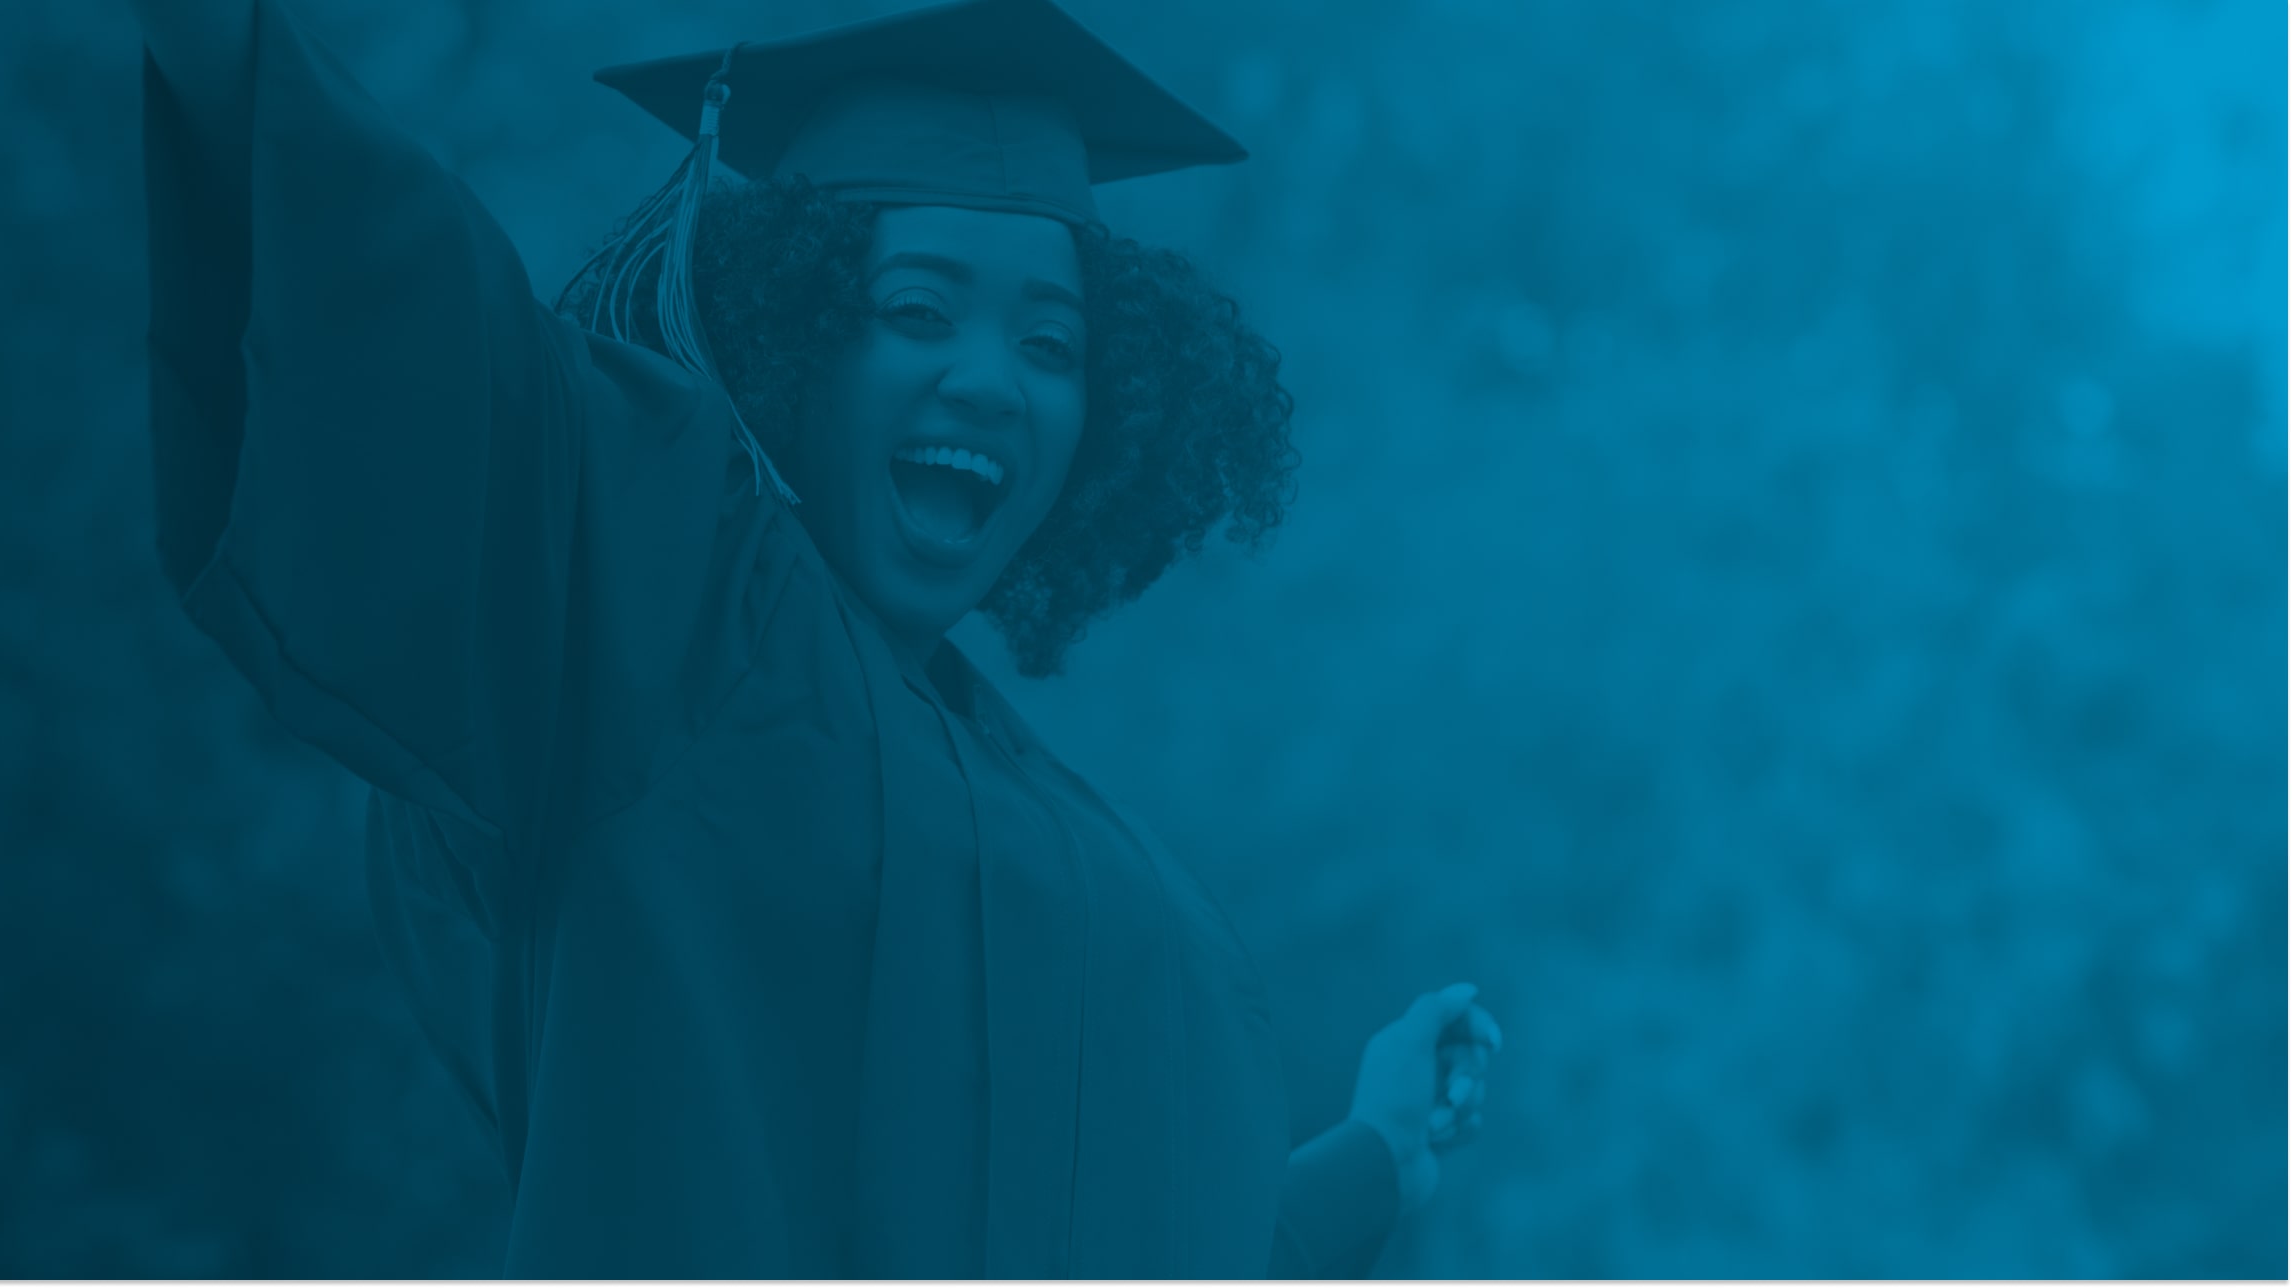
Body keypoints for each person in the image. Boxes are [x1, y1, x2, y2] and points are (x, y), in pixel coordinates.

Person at [134, 0, 1505, 1275]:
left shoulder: (1100, 855)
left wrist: (1379, 1153)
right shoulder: (655, 604)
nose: (990, 378)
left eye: (1052, 343)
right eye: (918, 311)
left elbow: (1161, 1236)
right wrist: (231, 57)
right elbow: (443, 350)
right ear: (787, 330)